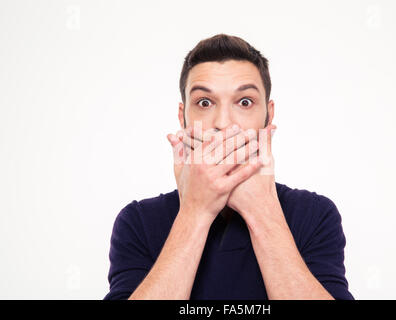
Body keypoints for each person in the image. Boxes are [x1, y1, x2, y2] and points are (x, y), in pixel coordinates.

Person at [104, 34, 354, 300]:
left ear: (268, 116)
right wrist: (195, 210)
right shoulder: (138, 222)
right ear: (183, 118)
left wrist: (261, 210)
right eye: (204, 102)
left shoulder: (314, 215)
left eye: (245, 102)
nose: (223, 123)